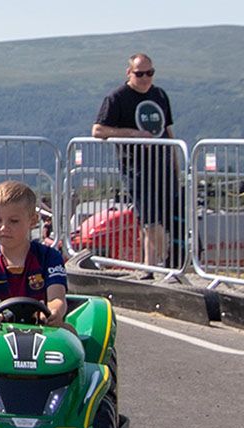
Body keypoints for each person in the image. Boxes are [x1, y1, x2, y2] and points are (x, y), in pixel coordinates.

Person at [92, 53, 178, 268]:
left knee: (161, 219)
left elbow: (168, 129)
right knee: (149, 219)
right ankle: (171, 261)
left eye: (150, 73)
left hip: (163, 165)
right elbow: (98, 130)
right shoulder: (117, 98)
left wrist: (176, 161)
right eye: (140, 74)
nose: (145, 78)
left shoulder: (159, 94)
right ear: (129, 72)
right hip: (136, 167)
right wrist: (134, 134)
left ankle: (149, 268)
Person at [0, 181, 68, 326]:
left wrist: (53, 312)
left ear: (32, 221)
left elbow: (57, 297)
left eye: (13, 221)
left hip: (42, 328)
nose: (4, 227)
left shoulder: (50, 257)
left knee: (70, 332)